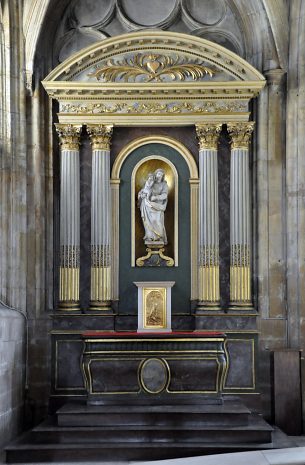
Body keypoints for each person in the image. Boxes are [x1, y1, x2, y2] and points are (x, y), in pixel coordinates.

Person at [138, 168, 168, 245]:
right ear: (155, 174)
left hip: (158, 206)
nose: (159, 176)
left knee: (157, 221)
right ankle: (150, 236)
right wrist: (142, 194)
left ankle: (159, 237)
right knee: (148, 220)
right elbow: (145, 189)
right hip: (148, 205)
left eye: (161, 174)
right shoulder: (151, 182)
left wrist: (156, 197)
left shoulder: (164, 184)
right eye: (158, 174)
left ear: (163, 176)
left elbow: (165, 195)